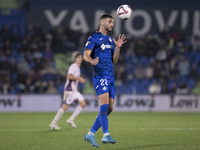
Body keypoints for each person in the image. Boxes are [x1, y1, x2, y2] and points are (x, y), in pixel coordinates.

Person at [83, 14, 127, 148]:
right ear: (102, 23)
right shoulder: (94, 37)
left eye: (113, 22)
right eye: (110, 22)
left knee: (110, 108)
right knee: (104, 104)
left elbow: (115, 60)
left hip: (110, 76)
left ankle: (90, 134)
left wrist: (118, 47)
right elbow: (85, 54)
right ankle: (105, 134)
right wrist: (92, 61)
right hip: (100, 75)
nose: (112, 24)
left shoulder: (110, 40)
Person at [49, 52, 86, 129]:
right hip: (69, 90)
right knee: (65, 107)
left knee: (83, 104)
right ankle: (53, 123)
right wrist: (79, 78)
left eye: (81, 57)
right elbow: (69, 76)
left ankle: (70, 119)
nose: (80, 59)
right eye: (78, 57)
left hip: (74, 90)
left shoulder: (78, 68)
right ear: (75, 59)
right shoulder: (74, 66)